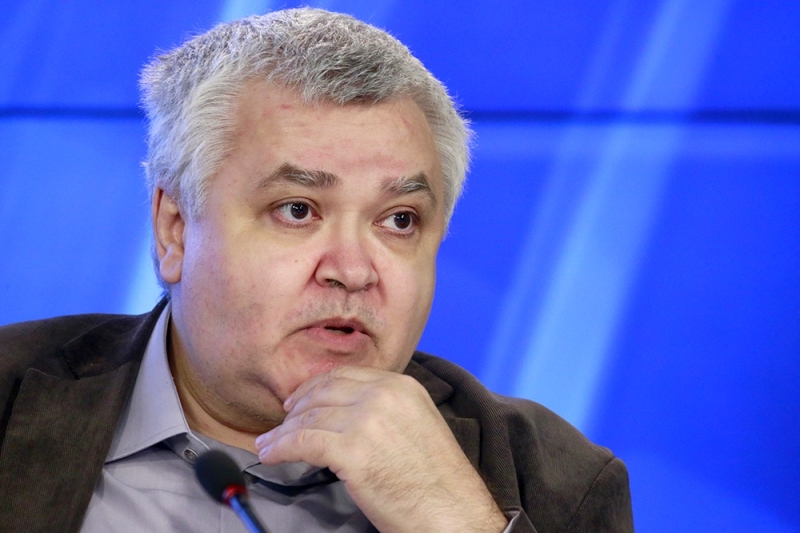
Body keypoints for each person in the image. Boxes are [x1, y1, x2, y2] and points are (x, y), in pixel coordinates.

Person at [0, 8, 633, 533]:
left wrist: (452, 521)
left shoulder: (555, 479)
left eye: (399, 220)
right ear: (176, 230)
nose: (353, 271)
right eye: (297, 210)